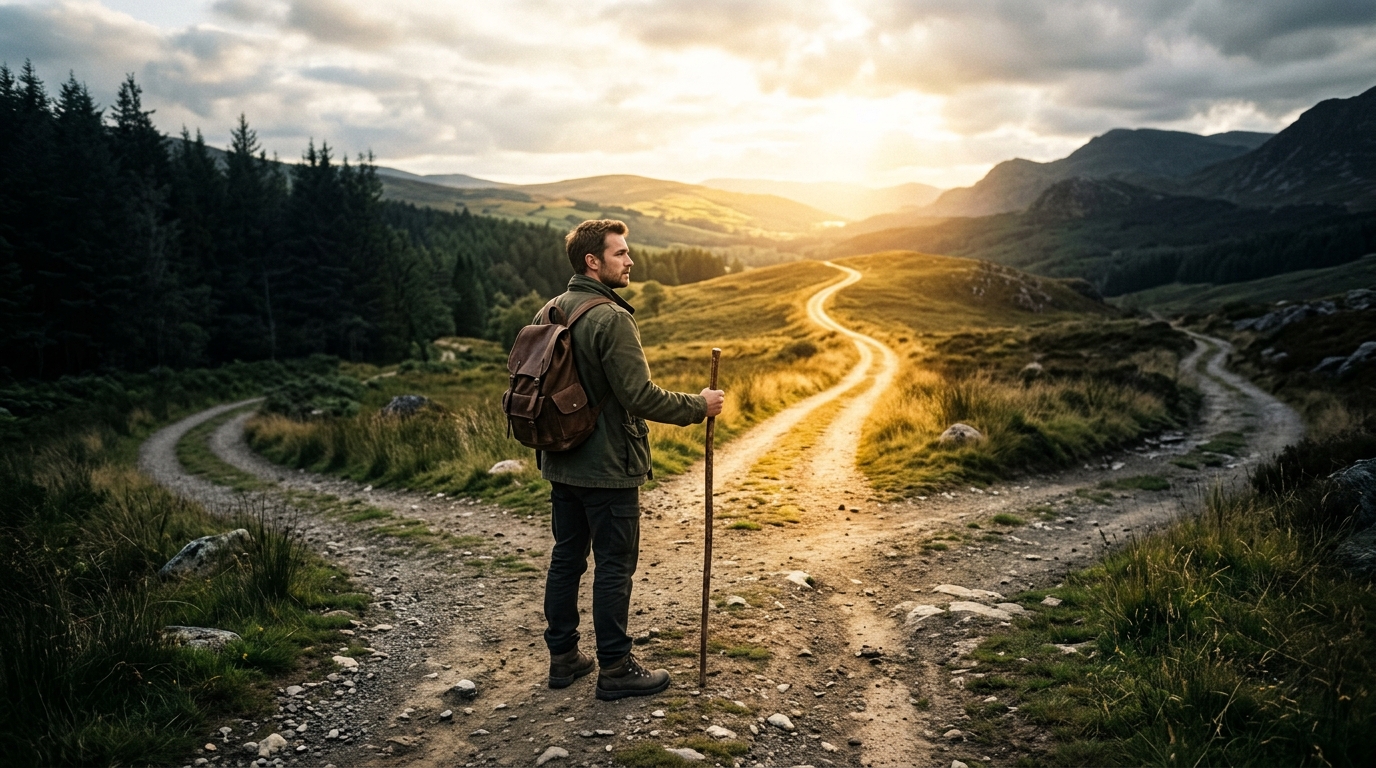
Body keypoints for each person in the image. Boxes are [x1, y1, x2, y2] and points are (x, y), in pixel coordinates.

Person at [540, 219, 725, 700]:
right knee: (614, 566)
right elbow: (639, 395)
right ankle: (617, 668)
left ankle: (563, 659)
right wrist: (697, 406)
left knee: (566, 559)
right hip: (607, 468)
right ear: (592, 261)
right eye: (620, 253)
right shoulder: (611, 317)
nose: (631, 261)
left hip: (561, 460)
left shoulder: (552, 308)